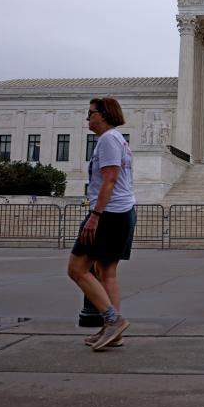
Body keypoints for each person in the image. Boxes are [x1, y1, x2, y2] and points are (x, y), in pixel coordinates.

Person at [67, 97, 135, 351]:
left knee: (77, 268)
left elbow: (110, 179)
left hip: (108, 213)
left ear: (104, 115)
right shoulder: (119, 139)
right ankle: (113, 332)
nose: (88, 118)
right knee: (106, 272)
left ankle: (112, 320)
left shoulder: (107, 140)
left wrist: (95, 216)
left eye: (91, 113)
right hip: (122, 211)